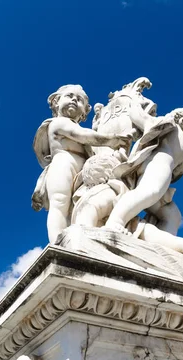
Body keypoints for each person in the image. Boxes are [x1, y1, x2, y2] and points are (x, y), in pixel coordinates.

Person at [32, 84, 132, 243]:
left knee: (75, 209)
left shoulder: (77, 127)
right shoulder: (58, 123)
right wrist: (114, 138)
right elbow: (83, 135)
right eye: (69, 96)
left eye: (79, 100)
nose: (74, 100)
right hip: (63, 164)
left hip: (82, 173)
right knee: (59, 204)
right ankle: (57, 245)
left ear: (85, 111)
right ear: (56, 102)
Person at [105, 107, 183, 235]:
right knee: (150, 191)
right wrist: (134, 102)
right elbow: (139, 116)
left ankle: (161, 244)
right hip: (160, 163)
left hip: (161, 171)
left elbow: (177, 174)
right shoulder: (171, 127)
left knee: (172, 215)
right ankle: (115, 221)